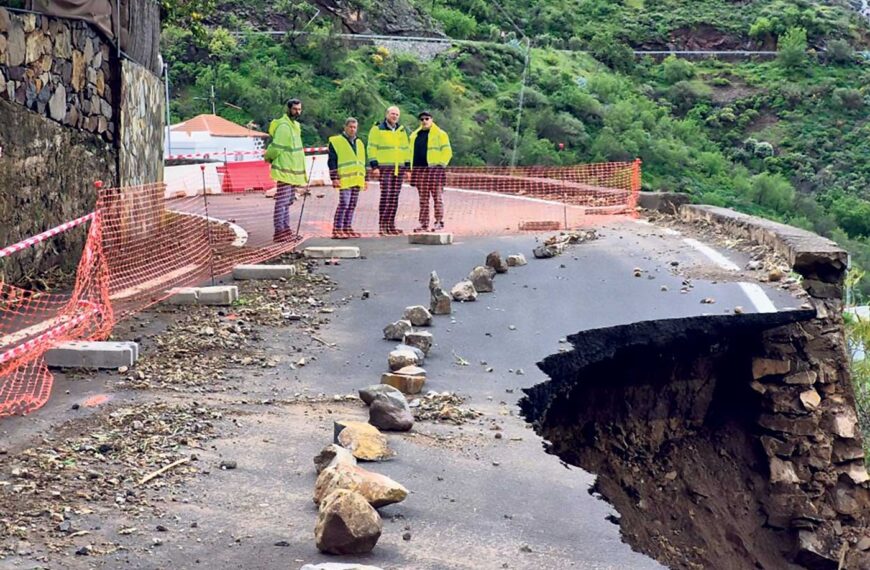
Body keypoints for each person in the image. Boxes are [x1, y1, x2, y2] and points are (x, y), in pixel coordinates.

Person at [264, 98, 307, 242]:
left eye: (299, 109)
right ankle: (279, 232)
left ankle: (286, 230)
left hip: (292, 172)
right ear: (288, 109)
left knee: (287, 202)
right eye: (295, 109)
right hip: (284, 171)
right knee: (282, 202)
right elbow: (276, 148)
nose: (298, 112)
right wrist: (269, 157)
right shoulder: (284, 126)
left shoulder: (295, 126)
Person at [367, 106, 411, 236]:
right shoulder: (377, 129)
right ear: (387, 114)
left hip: (399, 168)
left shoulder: (401, 130)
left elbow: (406, 149)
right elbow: (371, 147)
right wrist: (374, 166)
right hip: (384, 168)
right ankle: (382, 225)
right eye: (392, 114)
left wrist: (408, 168)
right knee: (386, 195)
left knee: (394, 197)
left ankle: (391, 225)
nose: (395, 116)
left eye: (397, 114)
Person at [409, 111, 452, 232]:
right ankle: (423, 223)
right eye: (422, 119)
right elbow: (410, 153)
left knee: (437, 197)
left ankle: (439, 221)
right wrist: (410, 169)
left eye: (427, 118)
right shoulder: (414, 136)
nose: (424, 121)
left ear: (431, 120)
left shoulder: (440, 134)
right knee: (423, 199)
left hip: (435, 171)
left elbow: (447, 152)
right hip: (419, 171)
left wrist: (441, 166)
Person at [327, 118, 366, 239]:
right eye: (350, 127)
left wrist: (365, 179)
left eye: (355, 127)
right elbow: (332, 161)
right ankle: (337, 228)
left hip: (357, 179)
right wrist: (334, 178)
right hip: (344, 179)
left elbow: (362, 162)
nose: (352, 129)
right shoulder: (336, 141)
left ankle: (347, 227)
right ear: (345, 127)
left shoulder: (359, 143)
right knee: (344, 203)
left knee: (352, 204)